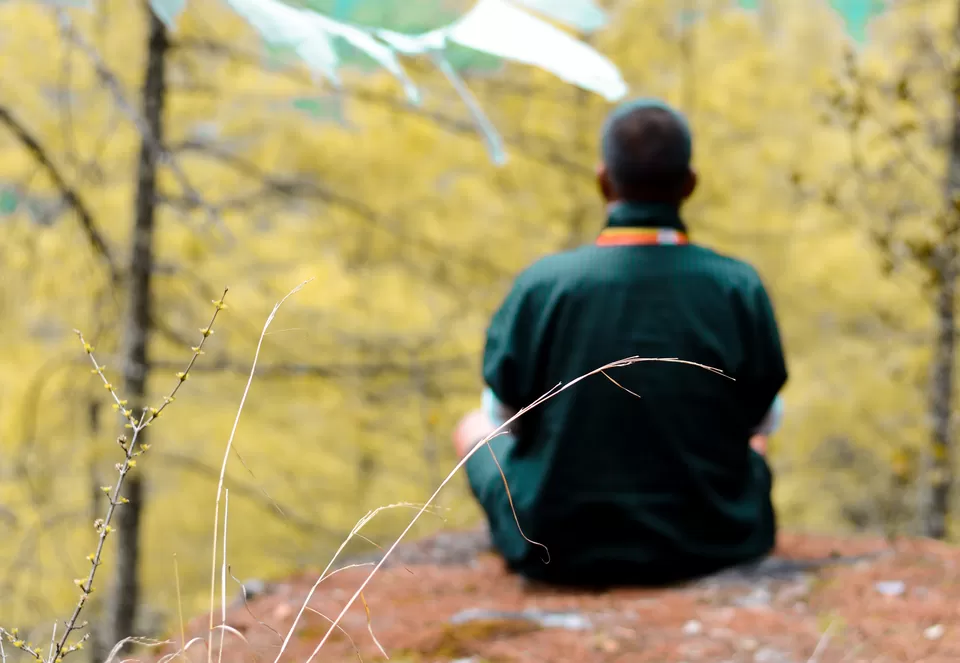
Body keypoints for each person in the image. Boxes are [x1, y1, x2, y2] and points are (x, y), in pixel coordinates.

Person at [453, 98, 788, 588]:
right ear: (689, 184)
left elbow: (505, 418)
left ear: (603, 180)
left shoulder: (544, 285)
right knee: (754, 440)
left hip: (555, 548)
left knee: (473, 426)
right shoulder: (738, 286)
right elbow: (762, 421)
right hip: (715, 541)